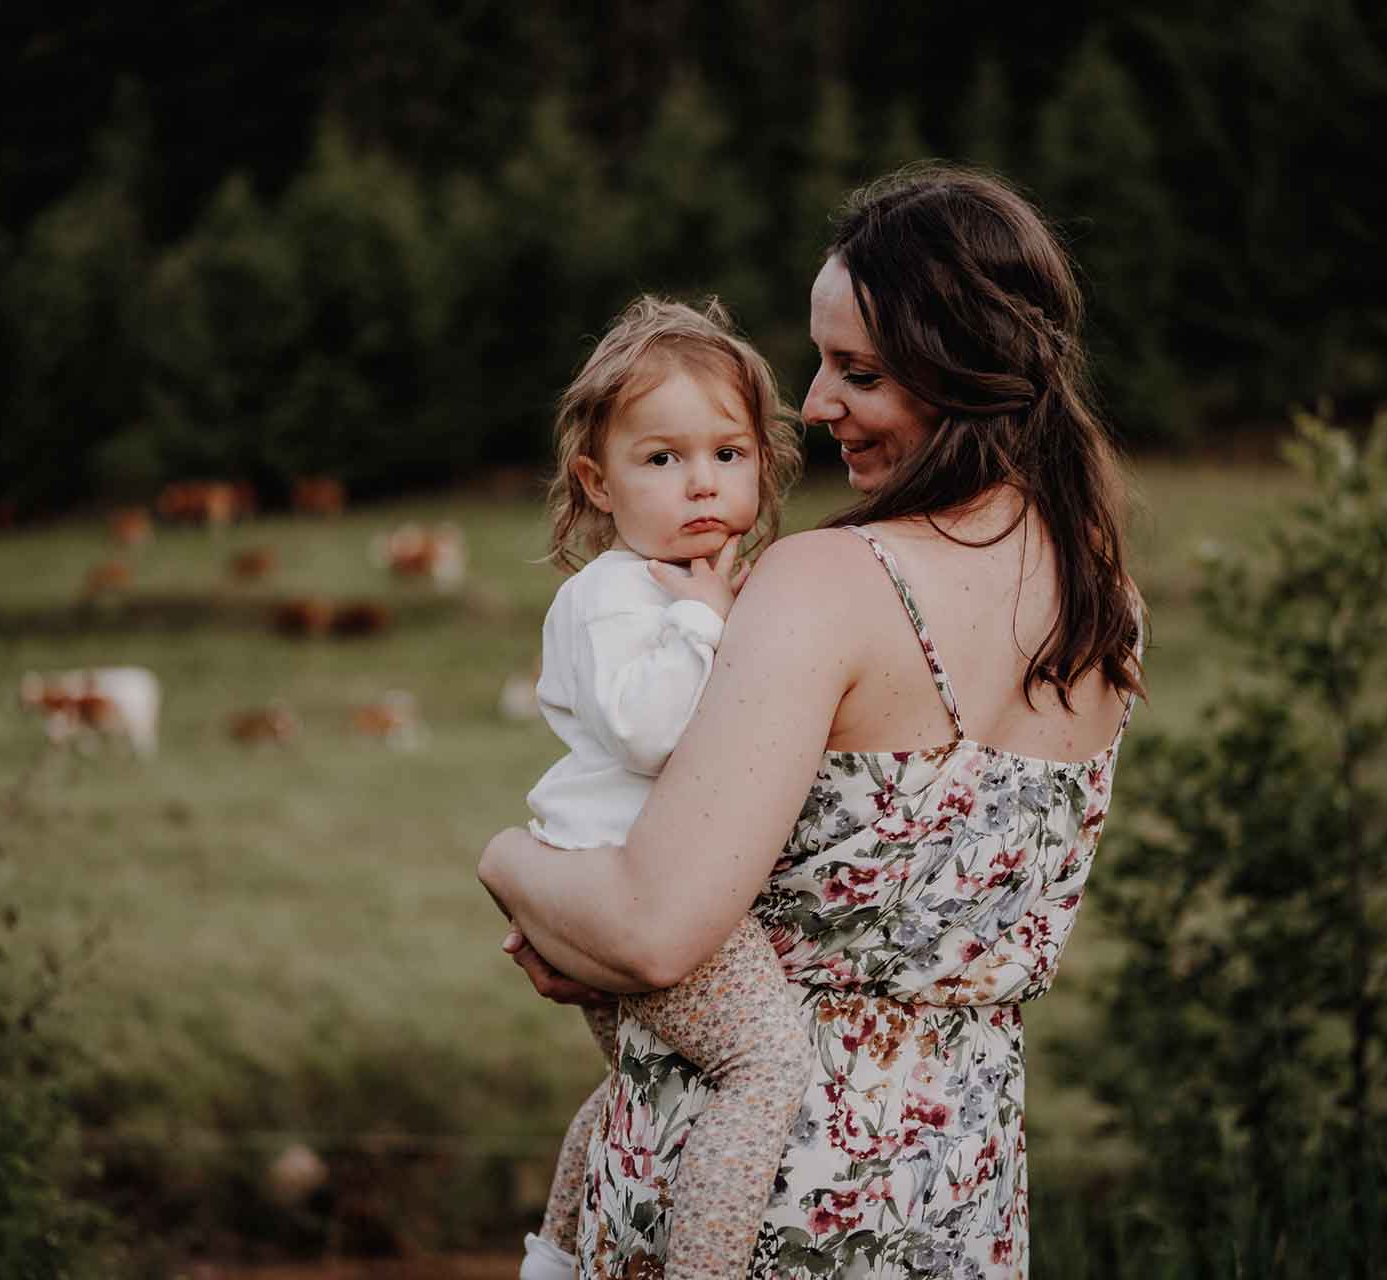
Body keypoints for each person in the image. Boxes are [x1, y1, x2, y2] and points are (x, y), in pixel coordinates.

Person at [481, 163, 1145, 1279]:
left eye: (860, 370)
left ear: (965, 371)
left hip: (760, 1207)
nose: (816, 402)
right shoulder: (1103, 601)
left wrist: (506, 859)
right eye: (822, 359)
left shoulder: (827, 580)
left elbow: (651, 927)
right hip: (955, 1196)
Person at [511, 296, 813, 1280]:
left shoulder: (690, 583)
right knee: (764, 1065)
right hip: (635, 886)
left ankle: (557, 1255)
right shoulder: (612, 595)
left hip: (632, 883)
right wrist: (704, 621)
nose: (701, 484)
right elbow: (649, 733)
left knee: (640, 1081)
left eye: (728, 453)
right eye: (661, 459)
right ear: (597, 482)